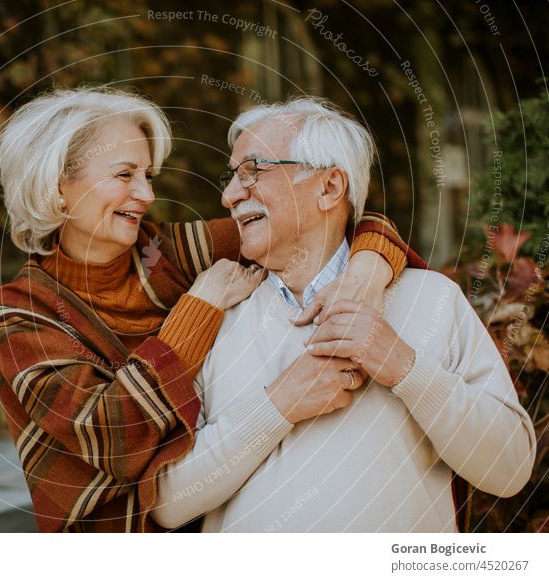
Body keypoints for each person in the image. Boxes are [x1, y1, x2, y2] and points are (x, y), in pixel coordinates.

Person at [0, 87, 418, 532]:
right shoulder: (18, 314)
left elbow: (319, 216)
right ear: (58, 186)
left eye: (148, 175)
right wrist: (198, 308)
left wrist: (365, 271)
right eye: (125, 174)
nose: (146, 194)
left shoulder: (168, 253)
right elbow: (113, 435)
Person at [151, 96, 536, 532]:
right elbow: (167, 502)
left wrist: (402, 366)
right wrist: (278, 406)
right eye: (231, 178)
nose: (228, 195)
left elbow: (510, 469)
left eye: (252, 172)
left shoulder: (432, 300)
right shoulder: (217, 316)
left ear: (329, 187)